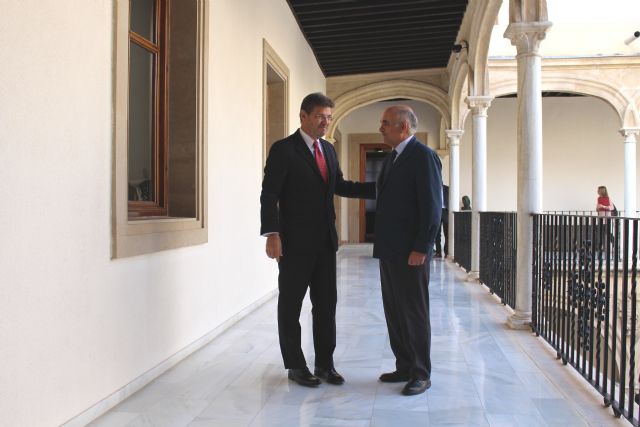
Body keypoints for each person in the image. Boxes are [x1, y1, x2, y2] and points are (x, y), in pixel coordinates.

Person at [260, 93, 376, 388]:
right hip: (293, 243)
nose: (325, 123)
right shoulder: (284, 150)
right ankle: (296, 366)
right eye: (320, 117)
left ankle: (325, 364)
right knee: (290, 305)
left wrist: (380, 188)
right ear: (303, 116)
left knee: (326, 305)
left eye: (329, 118)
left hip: (325, 243)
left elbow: (340, 185)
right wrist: (272, 234)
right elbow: (269, 194)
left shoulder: (329, 150)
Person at [373, 105, 442, 396]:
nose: (381, 128)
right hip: (389, 251)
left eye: (385, 123)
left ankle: (420, 373)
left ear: (402, 127)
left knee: (413, 311)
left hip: (410, 253)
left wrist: (421, 247)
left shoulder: (423, 156)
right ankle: (403, 365)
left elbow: (432, 206)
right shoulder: (392, 159)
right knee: (395, 311)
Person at [434, 184, 449, 258]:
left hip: (446, 211)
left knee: (447, 233)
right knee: (437, 233)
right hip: (437, 211)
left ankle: (447, 252)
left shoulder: (447, 189)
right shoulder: (434, 187)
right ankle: (438, 252)